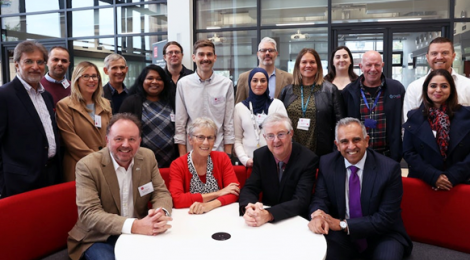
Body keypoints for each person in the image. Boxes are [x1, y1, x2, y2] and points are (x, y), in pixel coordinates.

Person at [67, 113, 173, 260]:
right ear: (107, 140)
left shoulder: (147, 157)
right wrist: (135, 225)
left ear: (139, 141)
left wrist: (160, 213)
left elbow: (161, 193)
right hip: (99, 237)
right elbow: (89, 214)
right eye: (119, 139)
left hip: (139, 232)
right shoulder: (88, 166)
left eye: (132, 139)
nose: (125, 144)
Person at [308, 117, 412, 260]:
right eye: (344, 141)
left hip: (383, 235)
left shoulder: (389, 169)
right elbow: (320, 198)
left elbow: (385, 218)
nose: (351, 146)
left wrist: (343, 224)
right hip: (342, 236)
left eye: (356, 140)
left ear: (366, 141)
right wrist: (318, 215)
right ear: (337, 145)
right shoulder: (327, 163)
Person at [0, 40, 61, 198]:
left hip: (50, 176)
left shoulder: (46, 96)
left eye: (40, 62)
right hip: (19, 183)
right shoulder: (4, 95)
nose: (35, 66)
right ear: (17, 64)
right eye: (29, 61)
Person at [239, 113, 318, 227]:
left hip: (295, 221)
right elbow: (250, 188)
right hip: (264, 223)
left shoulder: (308, 159)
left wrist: (269, 214)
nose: (276, 140)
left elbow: (301, 201)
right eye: (270, 136)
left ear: (291, 134)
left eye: (281, 134)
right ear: (265, 138)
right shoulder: (260, 156)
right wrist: (249, 207)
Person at [403, 69, 470, 190]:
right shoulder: (414, 117)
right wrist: (433, 176)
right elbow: (409, 152)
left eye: (444, 86)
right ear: (426, 89)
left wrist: (452, 176)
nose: (438, 90)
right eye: (433, 86)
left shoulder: (466, 115)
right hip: (423, 182)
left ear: (451, 89)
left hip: (459, 183)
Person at [279, 48, 344, 157]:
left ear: (318, 66)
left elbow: (340, 124)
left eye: (312, 62)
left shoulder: (330, 90)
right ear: (298, 66)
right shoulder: (287, 91)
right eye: (304, 62)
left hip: (321, 154)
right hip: (291, 154)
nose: (308, 65)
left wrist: (335, 152)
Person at [342, 50, 405, 162]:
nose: (373, 69)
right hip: (358, 155)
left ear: (382, 65)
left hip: (389, 155)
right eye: (368, 65)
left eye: (377, 65)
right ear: (361, 66)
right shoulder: (349, 92)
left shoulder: (397, 89)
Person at [175, 39, 234, 157]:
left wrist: (227, 156)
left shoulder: (226, 84)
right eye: (201, 54)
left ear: (215, 57)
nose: (205, 58)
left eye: (209, 54)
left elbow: (229, 123)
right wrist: (183, 157)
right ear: (194, 57)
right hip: (192, 151)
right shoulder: (183, 84)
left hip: (218, 150)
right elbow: (180, 124)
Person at [169, 117, 240, 214]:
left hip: (220, 213)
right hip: (191, 216)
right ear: (190, 139)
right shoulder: (178, 164)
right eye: (200, 137)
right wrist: (218, 193)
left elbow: (234, 191)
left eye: (210, 138)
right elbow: (177, 200)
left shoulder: (222, 158)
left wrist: (209, 205)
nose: (206, 142)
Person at [56, 61, 111, 182]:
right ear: (77, 79)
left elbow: (111, 133)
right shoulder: (65, 105)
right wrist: (98, 159)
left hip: (106, 164)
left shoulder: (105, 104)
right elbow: (71, 140)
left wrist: (107, 156)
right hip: (79, 165)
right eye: (86, 76)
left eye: (94, 76)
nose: (91, 80)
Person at [119, 64, 177, 168]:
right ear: (142, 81)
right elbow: (121, 131)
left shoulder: (172, 102)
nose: (154, 82)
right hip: (140, 162)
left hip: (170, 161)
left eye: (159, 79)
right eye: (150, 78)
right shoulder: (131, 102)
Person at [403, 37, 470, 121]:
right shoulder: (414, 88)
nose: (439, 57)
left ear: (453, 56)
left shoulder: (468, 86)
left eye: (445, 53)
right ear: (427, 57)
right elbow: (410, 123)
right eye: (434, 53)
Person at [234, 68, 287, 167]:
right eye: (255, 80)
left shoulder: (277, 105)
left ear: (267, 83)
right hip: (249, 163)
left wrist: (279, 157)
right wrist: (245, 160)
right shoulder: (239, 108)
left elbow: (285, 136)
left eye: (263, 80)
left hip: (274, 163)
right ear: (249, 83)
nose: (259, 84)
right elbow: (237, 139)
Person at [235, 37, 293, 103]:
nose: (267, 53)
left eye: (271, 50)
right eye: (263, 50)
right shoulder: (244, 78)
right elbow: (239, 106)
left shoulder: (289, 78)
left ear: (276, 54)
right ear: (258, 54)